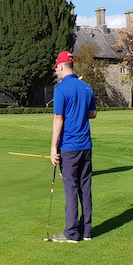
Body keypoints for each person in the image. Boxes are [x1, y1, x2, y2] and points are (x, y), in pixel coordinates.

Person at [49, 51, 98, 243]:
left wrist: (53, 147)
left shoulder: (61, 89)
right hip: (86, 146)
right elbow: (93, 113)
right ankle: (86, 231)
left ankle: (71, 233)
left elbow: (58, 118)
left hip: (69, 146)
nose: (56, 73)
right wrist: (78, 113)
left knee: (71, 188)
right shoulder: (86, 88)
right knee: (85, 187)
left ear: (61, 67)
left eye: (56, 69)